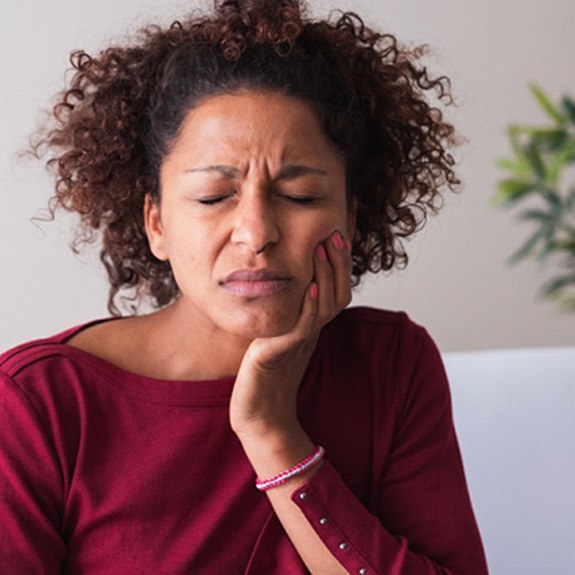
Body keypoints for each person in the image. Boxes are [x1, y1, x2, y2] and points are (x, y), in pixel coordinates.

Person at [0, 0, 488, 573]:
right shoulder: (38, 404)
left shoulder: (390, 365)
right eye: (213, 197)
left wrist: (272, 430)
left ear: (350, 220)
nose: (256, 234)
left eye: (300, 196)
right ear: (156, 223)